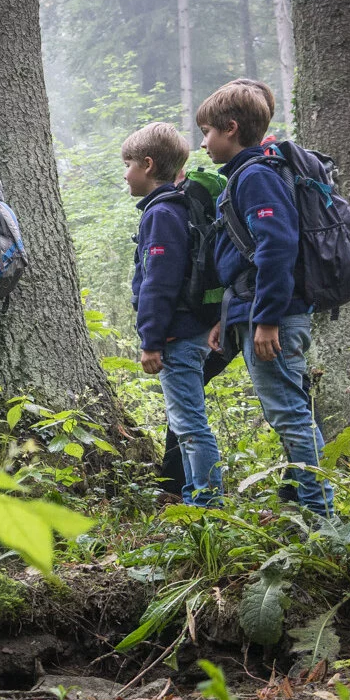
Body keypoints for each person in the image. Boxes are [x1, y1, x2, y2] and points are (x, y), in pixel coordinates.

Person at [199, 79, 335, 517]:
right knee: (289, 409)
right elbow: (243, 261)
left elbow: (277, 246)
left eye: (208, 133)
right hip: (255, 310)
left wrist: (268, 319)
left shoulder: (255, 176)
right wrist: (231, 316)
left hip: (276, 315)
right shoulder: (247, 175)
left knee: (290, 414)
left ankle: (320, 517)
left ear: (232, 128)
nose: (203, 143)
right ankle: (299, 504)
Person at [122, 122, 226, 507]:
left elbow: (158, 284)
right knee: (186, 421)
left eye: (129, 163)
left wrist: (151, 340)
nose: (125, 172)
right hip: (191, 329)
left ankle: (207, 503)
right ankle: (192, 494)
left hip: (177, 336)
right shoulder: (174, 208)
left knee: (189, 424)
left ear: (148, 165)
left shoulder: (161, 214)